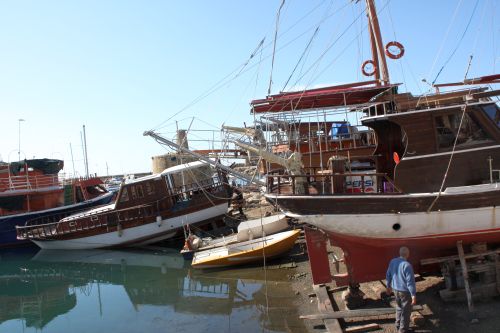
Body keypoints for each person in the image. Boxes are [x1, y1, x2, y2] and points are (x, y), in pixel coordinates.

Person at [386, 246, 417, 333]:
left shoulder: (392, 261)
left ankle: (398, 325)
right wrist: (413, 295)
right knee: (406, 312)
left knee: (399, 308)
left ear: (399, 253)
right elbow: (410, 282)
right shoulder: (407, 265)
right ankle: (403, 330)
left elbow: (388, 274)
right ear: (408, 254)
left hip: (395, 289)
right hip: (405, 292)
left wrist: (388, 286)